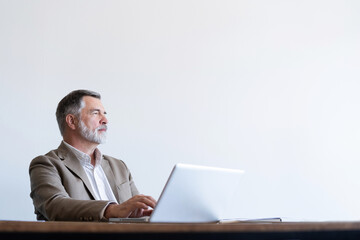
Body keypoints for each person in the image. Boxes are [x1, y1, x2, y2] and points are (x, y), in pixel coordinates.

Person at [29, 90, 156, 221]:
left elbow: (136, 210)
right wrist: (111, 210)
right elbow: (55, 205)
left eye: (104, 114)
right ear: (72, 121)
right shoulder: (46, 164)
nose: (105, 120)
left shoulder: (119, 166)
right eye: (96, 113)